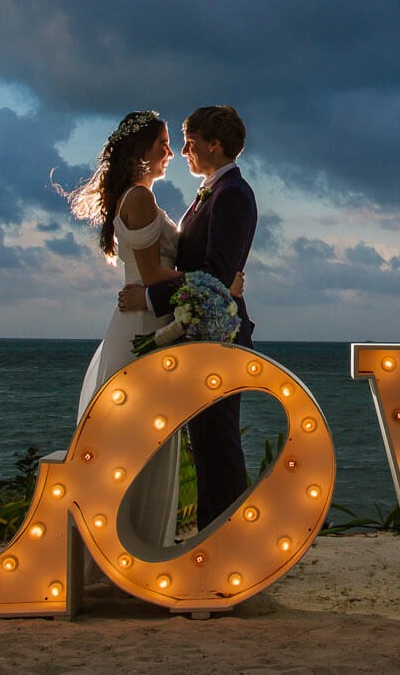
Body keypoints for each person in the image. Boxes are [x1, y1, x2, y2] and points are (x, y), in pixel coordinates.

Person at [120, 104, 257, 530]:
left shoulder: (232, 194)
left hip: (218, 339)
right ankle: (214, 547)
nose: (182, 152)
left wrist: (149, 296)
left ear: (214, 145)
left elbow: (215, 276)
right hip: (199, 334)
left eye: (190, 143)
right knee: (209, 448)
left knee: (219, 451)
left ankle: (227, 550)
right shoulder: (213, 193)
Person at [66, 110, 182, 549]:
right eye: (163, 145)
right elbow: (153, 275)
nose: (169, 153)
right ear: (142, 152)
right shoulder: (140, 199)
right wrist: (211, 281)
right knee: (140, 439)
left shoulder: (139, 197)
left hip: (144, 318)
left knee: (142, 437)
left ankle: (139, 546)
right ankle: (132, 546)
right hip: (143, 325)